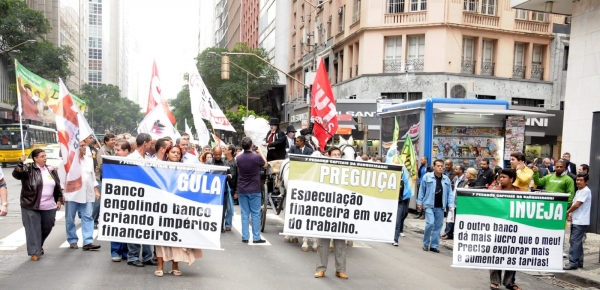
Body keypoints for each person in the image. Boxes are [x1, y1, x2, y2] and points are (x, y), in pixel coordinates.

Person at [154, 145, 203, 277]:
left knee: (176, 238)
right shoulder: (159, 168)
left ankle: (175, 265)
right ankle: (160, 266)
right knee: (160, 238)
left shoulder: (186, 170)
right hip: (163, 208)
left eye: (178, 153)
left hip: (178, 209)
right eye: (173, 152)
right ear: (167, 154)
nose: (176, 154)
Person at [13, 149, 63, 260]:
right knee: (32, 228)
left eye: (45, 156)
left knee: (48, 226)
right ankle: (34, 252)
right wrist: (20, 163)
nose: (45, 158)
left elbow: (57, 186)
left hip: (49, 204)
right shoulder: (28, 168)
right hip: (30, 204)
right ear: (35, 158)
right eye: (42, 156)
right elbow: (16, 174)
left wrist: (59, 199)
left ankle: (38, 244)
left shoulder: (51, 169)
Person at [315, 146, 349, 279]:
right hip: (325, 211)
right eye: (334, 154)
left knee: (340, 242)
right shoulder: (322, 170)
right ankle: (320, 269)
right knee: (323, 242)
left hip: (340, 212)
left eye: (338, 154)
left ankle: (340, 269)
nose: (337, 156)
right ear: (328, 156)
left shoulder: (347, 170)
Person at [64, 137, 102, 251]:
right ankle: (72, 239)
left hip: (87, 192)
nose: (83, 148)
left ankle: (88, 241)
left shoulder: (88, 159)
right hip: (72, 193)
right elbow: (62, 178)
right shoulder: (68, 161)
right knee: (70, 218)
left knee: (88, 216)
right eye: (81, 146)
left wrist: (95, 189)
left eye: (84, 146)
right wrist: (62, 193)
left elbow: (91, 175)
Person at [126, 133, 157, 267]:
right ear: (145, 143)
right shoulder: (131, 158)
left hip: (148, 198)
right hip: (135, 198)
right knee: (134, 228)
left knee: (147, 227)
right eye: (150, 143)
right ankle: (132, 257)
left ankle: (147, 256)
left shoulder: (148, 158)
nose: (151, 146)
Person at [488, 168, 520, 290]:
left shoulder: (520, 192)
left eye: (504, 177)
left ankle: (509, 282)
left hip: (514, 228)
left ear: (511, 179)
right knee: (495, 253)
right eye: (500, 177)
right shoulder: (495, 191)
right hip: (498, 227)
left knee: (513, 255)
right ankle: (495, 281)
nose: (501, 179)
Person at [417, 159, 454, 253]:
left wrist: (451, 205)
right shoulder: (427, 177)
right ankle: (425, 243)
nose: (440, 167)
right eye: (438, 166)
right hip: (429, 204)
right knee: (430, 223)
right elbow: (422, 190)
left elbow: (450, 193)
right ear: (434, 167)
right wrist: (419, 202)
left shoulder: (446, 179)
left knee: (438, 226)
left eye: (442, 166)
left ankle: (434, 245)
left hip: (440, 206)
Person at [236, 137, 268, 243]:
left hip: (242, 188)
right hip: (254, 188)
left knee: (244, 213)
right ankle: (256, 237)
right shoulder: (256, 157)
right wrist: (260, 152)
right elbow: (265, 164)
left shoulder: (239, 158)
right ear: (251, 146)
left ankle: (245, 237)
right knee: (255, 213)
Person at [108, 140, 130, 262]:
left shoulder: (133, 163)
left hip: (129, 200)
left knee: (127, 226)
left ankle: (126, 251)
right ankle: (115, 251)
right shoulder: (111, 162)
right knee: (116, 225)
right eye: (115, 150)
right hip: (116, 200)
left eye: (118, 150)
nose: (115, 152)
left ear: (126, 151)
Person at [564, 173, 591, 270]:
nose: (578, 182)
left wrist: (567, 212)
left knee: (574, 241)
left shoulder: (585, 191)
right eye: (577, 180)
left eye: (581, 180)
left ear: (586, 182)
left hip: (580, 220)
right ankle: (579, 261)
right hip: (577, 219)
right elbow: (575, 204)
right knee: (577, 242)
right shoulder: (579, 191)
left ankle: (573, 262)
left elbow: (577, 205)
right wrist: (570, 214)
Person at [93, 133, 115, 229]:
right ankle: (93, 221)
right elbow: (101, 166)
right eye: (111, 140)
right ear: (106, 141)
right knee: (98, 202)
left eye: (114, 140)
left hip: (109, 179)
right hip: (101, 178)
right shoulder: (101, 151)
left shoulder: (113, 150)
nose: (114, 141)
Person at [442, 165, 467, 240]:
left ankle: (452, 233)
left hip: (458, 201)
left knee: (455, 219)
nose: (455, 170)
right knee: (450, 218)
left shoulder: (464, 180)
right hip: (452, 200)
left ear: (461, 171)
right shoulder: (456, 178)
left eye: (457, 169)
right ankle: (448, 233)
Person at [393, 180, 409, 246]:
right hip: (391, 201)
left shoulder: (404, 181)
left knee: (398, 221)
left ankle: (395, 239)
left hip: (400, 202)